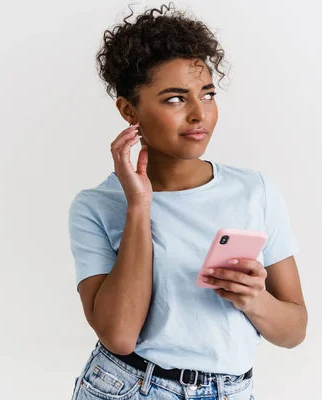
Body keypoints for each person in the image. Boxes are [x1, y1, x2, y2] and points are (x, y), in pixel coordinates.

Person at [67, 3, 307, 399]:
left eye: (207, 94)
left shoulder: (255, 190)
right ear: (130, 111)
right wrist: (139, 207)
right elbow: (120, 336)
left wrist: (254, 300)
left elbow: (294, 330)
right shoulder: (95, 206)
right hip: (129, 386)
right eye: (175, 99)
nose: (200, 114)